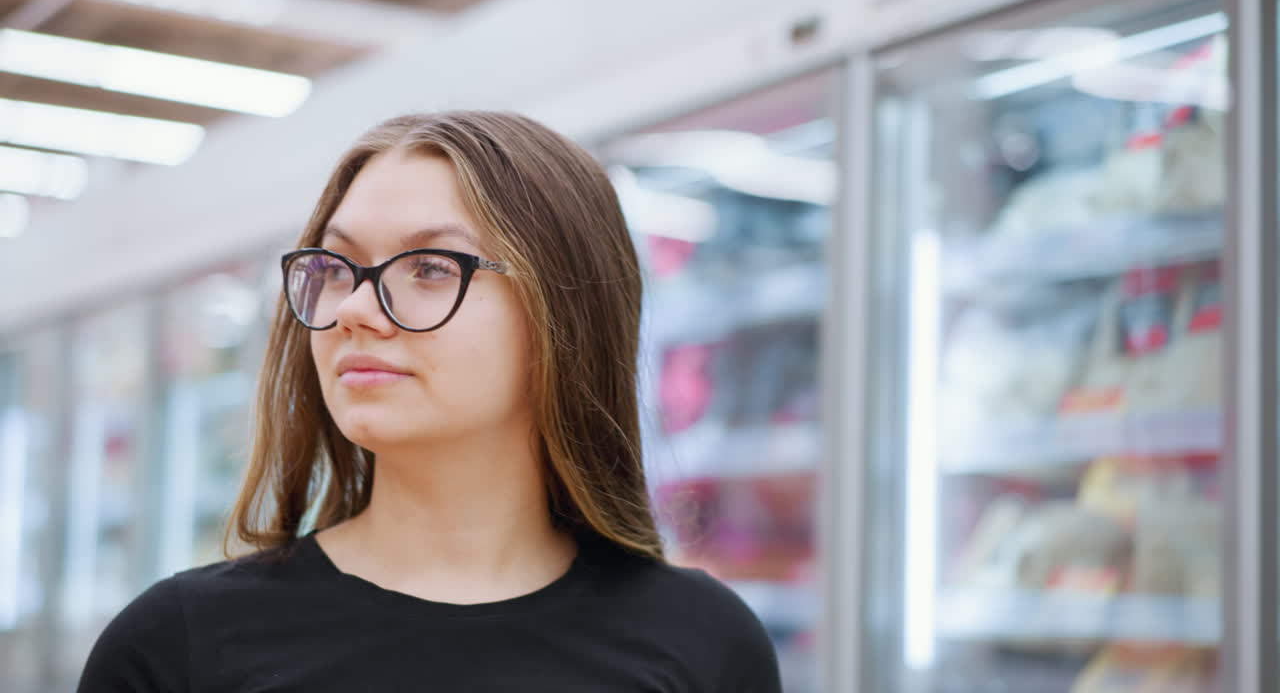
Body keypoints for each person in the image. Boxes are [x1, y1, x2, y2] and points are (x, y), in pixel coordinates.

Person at [77, 111, 782, 692]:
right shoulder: (175, 647)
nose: (354, 307)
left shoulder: (704, 644)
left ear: (565, 314)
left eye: (430, 267)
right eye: (335, 267)